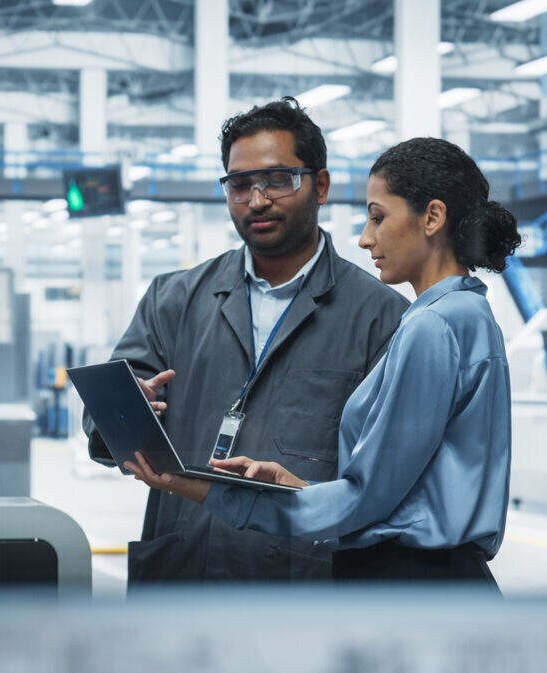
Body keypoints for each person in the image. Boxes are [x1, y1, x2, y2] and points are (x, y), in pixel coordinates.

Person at [125, 137, 522, 589]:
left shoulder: (428, 326)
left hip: (412, 581)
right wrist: (300, 486)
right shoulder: (470, 312)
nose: (365, 236)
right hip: (439, 576)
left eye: (378, 217)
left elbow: (366, 499)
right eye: (239, 183)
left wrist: (198, 488)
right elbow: (401, 490)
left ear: (432, 217)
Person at [83, 97, 408, 583]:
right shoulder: (172, 299)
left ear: (319, 186)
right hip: (183, 571)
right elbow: (104, 422)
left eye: (278, 180)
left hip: (304, 585)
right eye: (239, 185)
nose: (257, 200)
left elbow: (386, 480)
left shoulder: (381, 318)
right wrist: (130, 410)